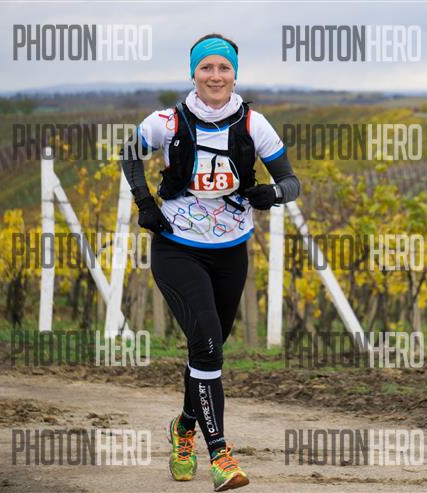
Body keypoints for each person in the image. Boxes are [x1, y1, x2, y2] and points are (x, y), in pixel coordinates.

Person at [121, 33, 300, 491]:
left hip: (231, 251)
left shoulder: (254, 124)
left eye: (223, 68)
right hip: (177, 246)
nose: (215, 76)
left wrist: (273, 193)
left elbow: (291, 182)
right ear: (193, 73)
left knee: (212, 347)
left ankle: (184, 427)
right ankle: (220, 455)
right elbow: (128, 152)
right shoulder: (167, 121)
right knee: (206, 346)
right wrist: (145, 202)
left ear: (235, 74)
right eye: (206, 68)